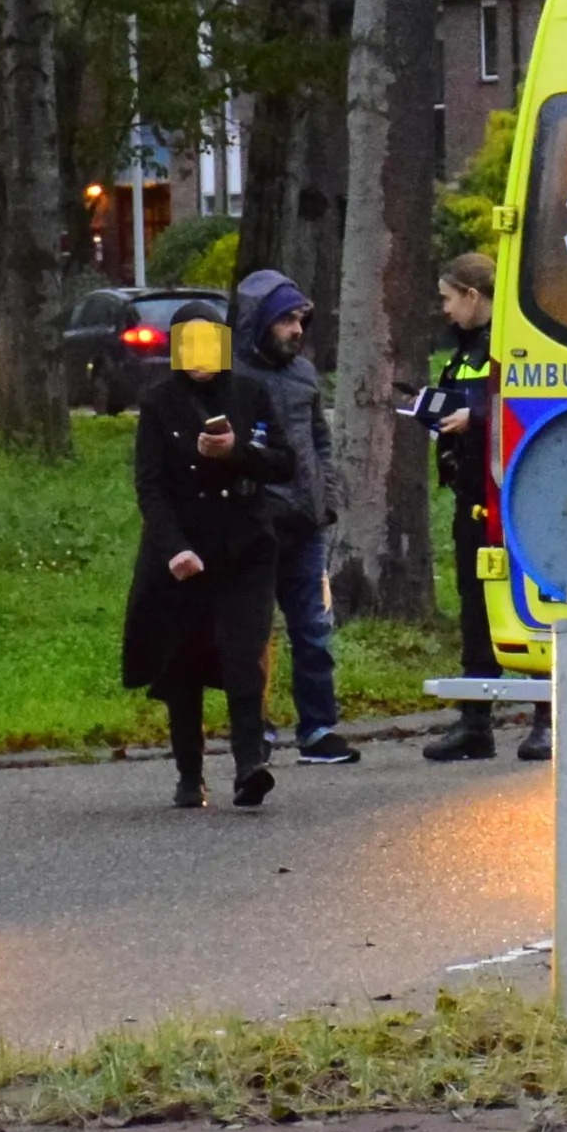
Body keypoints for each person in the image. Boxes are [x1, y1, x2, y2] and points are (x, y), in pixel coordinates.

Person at [124, 316, 301, 808]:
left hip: (244, 547)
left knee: (244, 656)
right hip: (182, 551)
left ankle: (250, 767)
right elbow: (151, 486)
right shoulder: (158, 402)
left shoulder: (250, 393)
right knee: (183, 662)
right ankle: (189, 771)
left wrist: (237, 452)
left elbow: (283, 461)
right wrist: (173, 548)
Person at [232, 267, 355, 765]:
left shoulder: (304, 374)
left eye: (301, 319)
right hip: (255, 524)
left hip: (306, 524)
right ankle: (253, 728)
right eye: (286, 320)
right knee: (253, 630)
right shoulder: (234, 376)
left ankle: (318, 727)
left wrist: (324, 492)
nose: (297, 330)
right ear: (260, 322)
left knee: (312, 626)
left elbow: (318, 440)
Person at [421, 253, 541, 762]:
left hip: (517, 497)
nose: (444, 309)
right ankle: (475, 722)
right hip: (473, 497)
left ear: (473, 296)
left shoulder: (515, 344)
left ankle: (547, 722)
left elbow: (529, 405)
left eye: (449, 298)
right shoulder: (467, 347)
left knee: (532, 605)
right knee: (475, 610)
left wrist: (476, 415)